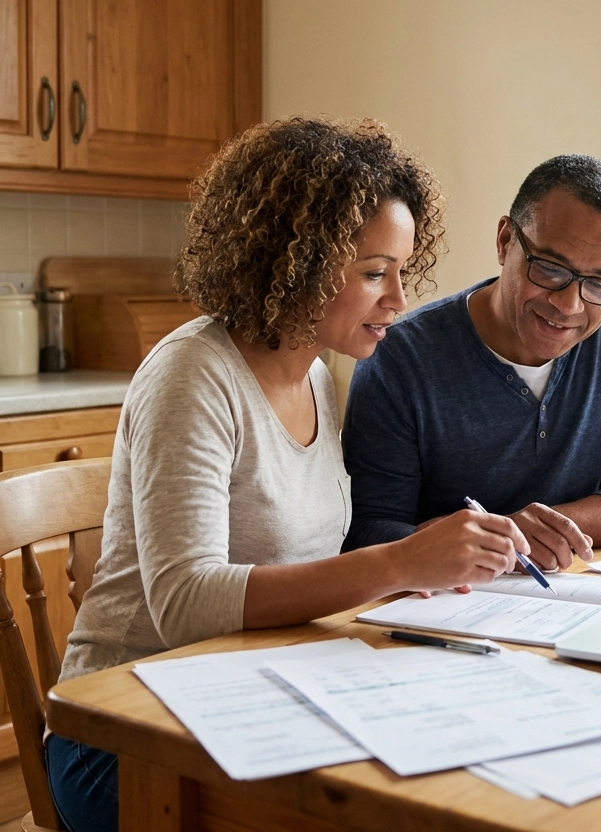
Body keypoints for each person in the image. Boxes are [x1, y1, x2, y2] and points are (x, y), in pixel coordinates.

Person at [46, 117, 530, 832]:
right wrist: (395, 561)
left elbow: (305, 563)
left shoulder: (318, 377)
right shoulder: (193, 376)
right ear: (293, 264)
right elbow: (186, 601)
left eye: (400, 271)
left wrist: (423, 558)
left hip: (257, 691)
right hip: (128, 727)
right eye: (373, 273)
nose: (398, 299)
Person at [343, 154, 601, 572]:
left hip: (566, 597)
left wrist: (520, 534)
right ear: (506, 241)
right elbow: (366, 532)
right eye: (549, 267)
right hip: (441, 609)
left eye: (598, 282)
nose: (568, 304)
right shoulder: (400, 357)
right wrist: (508, 537)